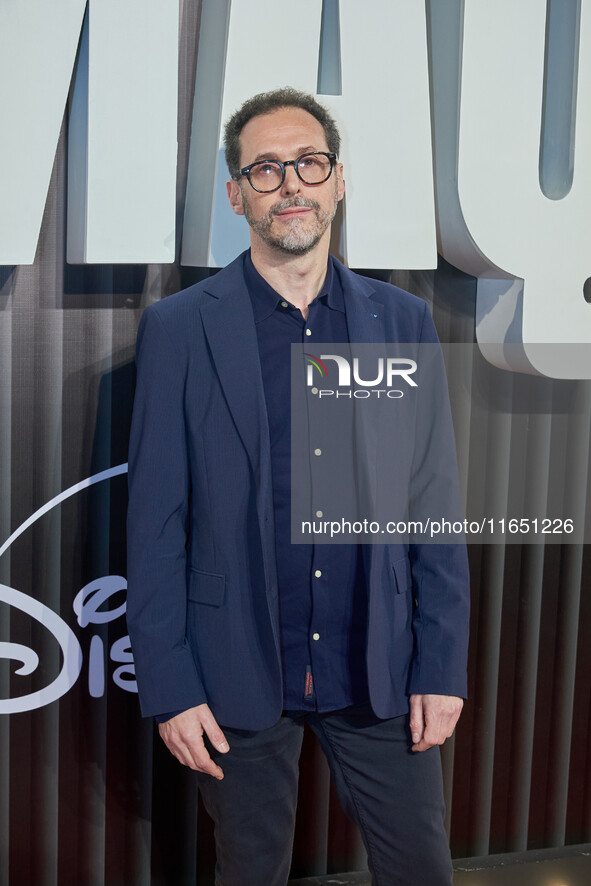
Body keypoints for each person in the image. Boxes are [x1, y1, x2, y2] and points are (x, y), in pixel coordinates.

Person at [126, 87, 470, 886]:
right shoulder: (181, 327)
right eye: (267, 167)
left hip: (378, 668)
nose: (291, 184)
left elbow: (432, 506)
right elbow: (154, 525)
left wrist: (441, 667)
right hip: (236, 671)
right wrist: (169, 689)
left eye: (309, 163)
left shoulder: (401, 323)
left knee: (421, 870)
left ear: (337, 181)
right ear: (236, 193)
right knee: (249, 873)